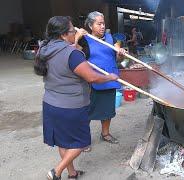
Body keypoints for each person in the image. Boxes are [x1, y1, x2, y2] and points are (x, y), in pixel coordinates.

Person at [34, 16, 118, 179]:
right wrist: (110, 77)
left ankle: (72, 173)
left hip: (50, 104)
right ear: (64, 35)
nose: (76, 32)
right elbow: (92, 78)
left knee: (63, 141)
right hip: (70, 107)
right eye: (73, 30)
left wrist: (76, 42)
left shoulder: (45, 49)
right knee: (80, 143)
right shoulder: (72, 54)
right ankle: (56, 172)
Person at [76, 11, 125, 145]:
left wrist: (121, 53)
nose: (102, 26)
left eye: (103, 23)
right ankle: (84, 140)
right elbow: (73, 53)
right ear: (91, 26)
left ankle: (105, 133)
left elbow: (118, 58)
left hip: (110, 79)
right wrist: (76, 37)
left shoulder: (111, 39)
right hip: (93, 81)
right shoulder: (85, 40)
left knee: (108, 110)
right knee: (88, 112)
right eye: (99, 24)